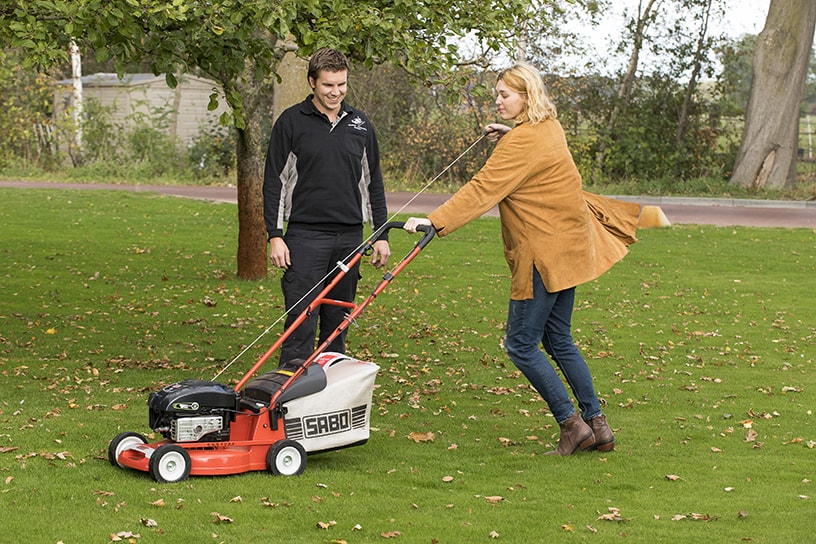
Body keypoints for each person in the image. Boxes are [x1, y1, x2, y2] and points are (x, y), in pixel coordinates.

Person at [403, 63, 640, 456]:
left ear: (527, 97)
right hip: (567, 251)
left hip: (542, 255)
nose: (497, 101)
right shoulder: (549, 128)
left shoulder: (520, 143)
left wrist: (435, 220)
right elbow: (531, 156)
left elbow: (482, 189)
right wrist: (512, 134)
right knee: (558, 338)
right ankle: (598, 425)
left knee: (520, 344)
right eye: (496, 94)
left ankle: (572, 425)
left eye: (505, 95)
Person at [263, 47, 391, 363]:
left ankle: (331, 385)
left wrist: (381, 235)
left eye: (341, 84)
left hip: (349, 239)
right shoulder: (291, 122)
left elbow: (373, 183)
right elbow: (274, 181)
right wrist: (275, 235)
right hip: (305, 238)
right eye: (328, 85)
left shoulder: (360, 124)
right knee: (301, 321)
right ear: (312, 82)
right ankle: (291, 384)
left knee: (337, 324)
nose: (336, 92)